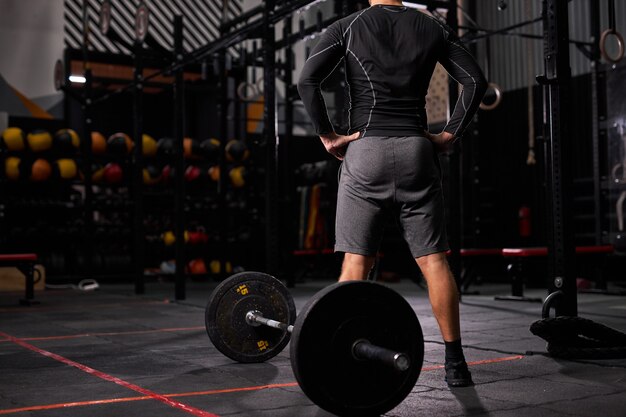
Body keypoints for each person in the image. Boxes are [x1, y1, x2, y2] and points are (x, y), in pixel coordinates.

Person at [297, 0, 487, 387]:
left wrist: (327, 134)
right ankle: (456, 365)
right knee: (434, 262)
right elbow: (475, 81)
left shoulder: (347, 26)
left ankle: (343, 352)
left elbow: (306, 81)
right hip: (417, 149)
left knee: (356, 262)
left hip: (366, 150)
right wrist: (450, 134)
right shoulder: (431, 26)